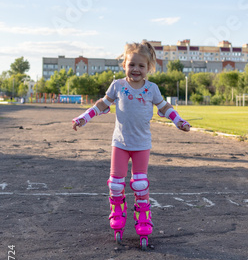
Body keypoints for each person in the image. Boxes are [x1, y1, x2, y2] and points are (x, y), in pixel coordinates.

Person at [72, 41, 190, 249]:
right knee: (116, 184)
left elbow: (165, 107)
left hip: (141, 145)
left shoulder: (152, 89)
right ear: (124, 64)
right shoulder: (118, 86)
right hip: (120, 144)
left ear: (149, 68)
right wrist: (84, 117)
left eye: (141, 66)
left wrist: (179, 121)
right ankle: (118, 214)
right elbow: (102, 104)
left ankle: (143, 220)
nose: (136, 69)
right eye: (132, 64)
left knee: (140, 184)